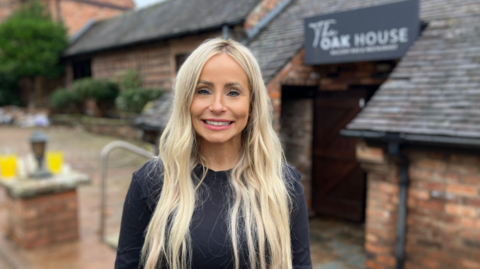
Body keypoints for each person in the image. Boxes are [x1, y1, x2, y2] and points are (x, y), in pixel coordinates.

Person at [114, 38, 312, 269]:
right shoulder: (151, 180)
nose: (217, 106)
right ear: (186, 100)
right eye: (204, 90)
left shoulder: (283, 183)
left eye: (233, 92)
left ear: (252, 104)